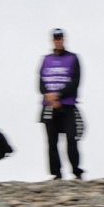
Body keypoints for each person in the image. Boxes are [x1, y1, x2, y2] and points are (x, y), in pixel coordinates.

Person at [39, 28, 83, 180]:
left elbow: (75, 82)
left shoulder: (73, 58)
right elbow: (41, 83)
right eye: (56, 39)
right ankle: (56, 174)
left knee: (72, 139)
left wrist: (58, 95)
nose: (58, 41)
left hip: (68, 105)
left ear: (64, 40)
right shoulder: (45, 59)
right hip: (49, 106)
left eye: (60, 39)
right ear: (53, 41)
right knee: (52, 142)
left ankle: (76, 171)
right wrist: (50, 98)